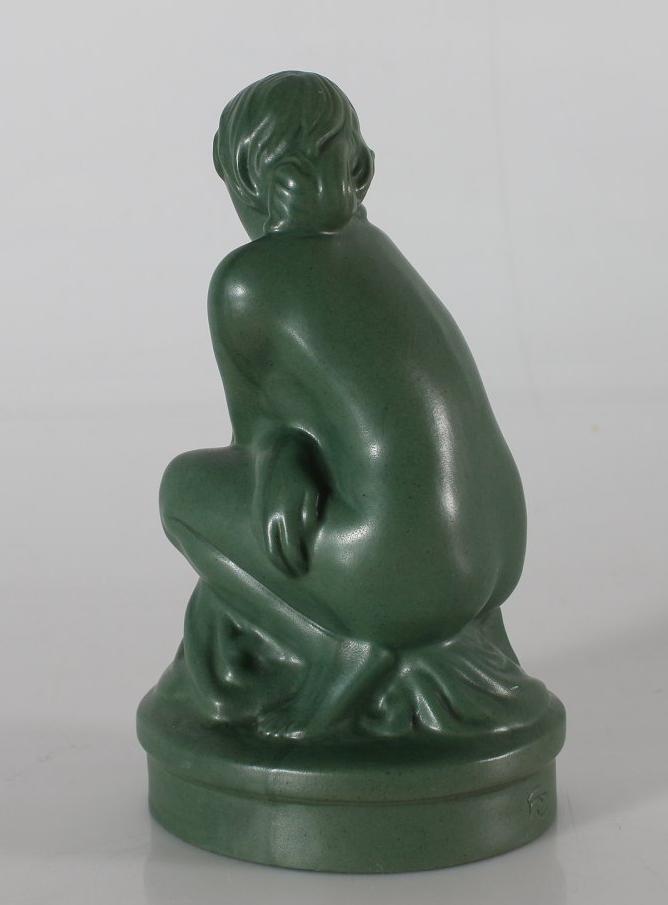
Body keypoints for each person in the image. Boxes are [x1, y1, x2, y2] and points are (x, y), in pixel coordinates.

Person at [158, 71, 533, 738]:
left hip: (396, 572)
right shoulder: (377, 249)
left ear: (248, 182)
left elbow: (250, 442)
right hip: (498, 546)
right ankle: (411, 630)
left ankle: (339, 650)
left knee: (182, 490)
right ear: (361, 169)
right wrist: (292, 449)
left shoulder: (247, 280)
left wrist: (276, 454)